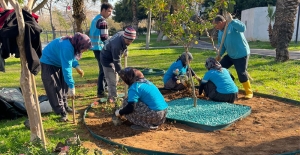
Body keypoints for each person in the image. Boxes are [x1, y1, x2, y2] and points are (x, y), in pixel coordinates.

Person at [40, 33, 92, 122]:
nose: (85, 51)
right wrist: (72, 85)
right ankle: (61, 112)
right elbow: (67, 68)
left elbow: (72, 57)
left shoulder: (73, 42)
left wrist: (77, 66)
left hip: (58, 61)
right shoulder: (66, 47)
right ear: (80, 44)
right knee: (54, 88)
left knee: (64, 86)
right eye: (85, 48)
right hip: (48, 62)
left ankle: (65, 106)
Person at [213, 13, 253, 99]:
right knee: (220, 68)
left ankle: (249, 92)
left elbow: (243, 28)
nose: (215, 27)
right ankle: (231, 83)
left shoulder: (233, 24)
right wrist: (219, 55)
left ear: (220, 22)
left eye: (216, 25)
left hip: (241, 54)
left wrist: (232, 21)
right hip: (231, 55)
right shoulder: (220, 32)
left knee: (241, 73)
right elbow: (222, 45)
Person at [100, 27, 136, 102]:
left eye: (131, 41)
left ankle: (111, 92)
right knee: (111, 80)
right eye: (128, 40)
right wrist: (123, 75)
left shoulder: (124, 33)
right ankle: (113, 100)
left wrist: (125, 50)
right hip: (106, 59)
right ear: (124, 37)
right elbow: (117, 62)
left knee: (116, 79)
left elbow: (125, 45)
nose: (129, 42)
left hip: (113, 55)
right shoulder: (117, 46)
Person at [89, 2, 113, 98]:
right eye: (109, 11)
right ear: (103, 10)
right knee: (104, 70)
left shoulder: (95, 19)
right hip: (100, 48)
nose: (110, 14)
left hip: (95, 48)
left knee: (103, 69)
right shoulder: (102, 21)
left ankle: (104, 88)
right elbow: (104, 38)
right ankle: (101, 91)